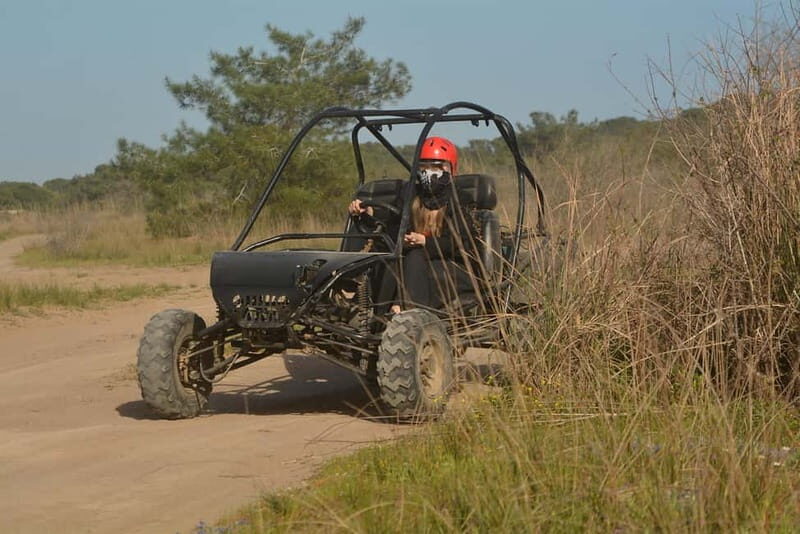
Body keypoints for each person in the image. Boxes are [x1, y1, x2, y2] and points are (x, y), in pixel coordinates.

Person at [348, 136, 482, 314]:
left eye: (436, 167)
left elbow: (463, 244)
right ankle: (375, 315)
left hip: (452, 264)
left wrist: (426, 242)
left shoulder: (460, 199)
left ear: (451, 168)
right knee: (392, 257)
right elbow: (392, 226)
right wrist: (368, 215)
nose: (429, 172)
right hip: (411, 258)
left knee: (415, 254)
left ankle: (407, 311)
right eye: (424, 167)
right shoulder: (410, 195)